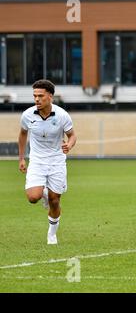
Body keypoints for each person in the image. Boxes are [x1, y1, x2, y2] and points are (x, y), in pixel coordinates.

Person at [18, 79, 77, 245]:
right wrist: (22, 158)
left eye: (40, 96)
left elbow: (72, 135)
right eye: (34, 96)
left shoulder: (62, 115)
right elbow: (22, 134)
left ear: (50, 96)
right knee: (32, 197)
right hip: (37, 160)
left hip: (57, 161)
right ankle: (43, 192)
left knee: (55, 200)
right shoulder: (28, 115)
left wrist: (69, 145)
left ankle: (52, 235)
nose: (37, 99)